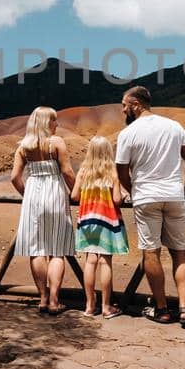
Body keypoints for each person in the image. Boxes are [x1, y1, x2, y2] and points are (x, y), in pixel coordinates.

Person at [115, 85, 185, 327]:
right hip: (174, 195)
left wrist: (133, 190)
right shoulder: (174, 126)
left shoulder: (128, 134)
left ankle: (162, 309)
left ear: (135, 105)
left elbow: (121, 170)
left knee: (151, 252)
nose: (123, 110)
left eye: (124, 105)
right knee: (179, 251)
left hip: (146, 197)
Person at [10, 106, 76, 315]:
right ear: (47, 123)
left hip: (33, 197)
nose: (57, 124)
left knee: (36, 250)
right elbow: (67, 171)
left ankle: (43, 298)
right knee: (57, 250)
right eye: (54, 121)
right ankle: (55, 300)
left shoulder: (23, 146)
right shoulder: (56, 143)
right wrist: (76, 193)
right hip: (55, 195)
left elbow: (14, 177)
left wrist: (27, 194)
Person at [71, 136, 128, 318]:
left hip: (87, 220)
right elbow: (117, 199)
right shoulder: (111, 173)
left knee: (90, 261)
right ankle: (106, 306)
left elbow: (74, 196)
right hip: (107, 220)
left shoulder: (83, 172)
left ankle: (89, 305)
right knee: (105, 261)